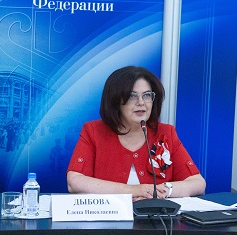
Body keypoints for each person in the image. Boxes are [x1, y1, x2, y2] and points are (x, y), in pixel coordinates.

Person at [67, 66, 206, 201]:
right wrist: (134, 190)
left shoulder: (165, 133)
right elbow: (75, 182)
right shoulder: (93, 131)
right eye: (132, 96)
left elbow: (198, 183)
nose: (141, 102)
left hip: (155, 216)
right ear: (115, 100)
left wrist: (161, 190)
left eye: (147, 95)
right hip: (111, 216)